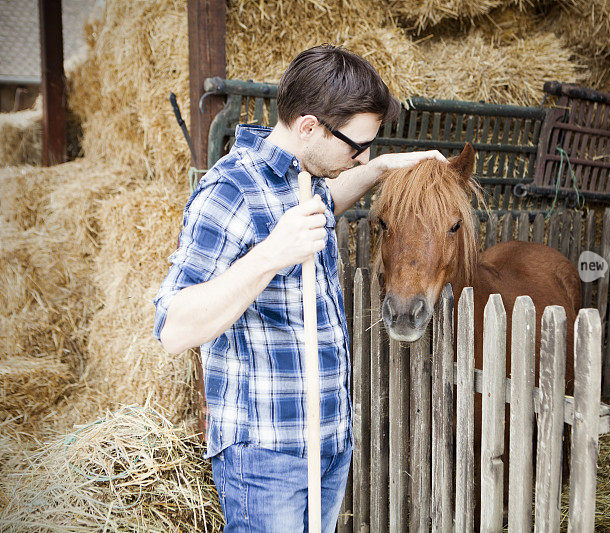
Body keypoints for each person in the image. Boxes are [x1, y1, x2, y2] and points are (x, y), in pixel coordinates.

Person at [153, 45, 445, 532]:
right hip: (267, 456)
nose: (363, 156)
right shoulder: (230, 192)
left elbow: (330, 197)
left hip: (329, 443)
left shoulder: (302, 180)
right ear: (309, 127)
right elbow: (173, 327)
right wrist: (271, 255)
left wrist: (379, 170)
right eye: (357, 146)